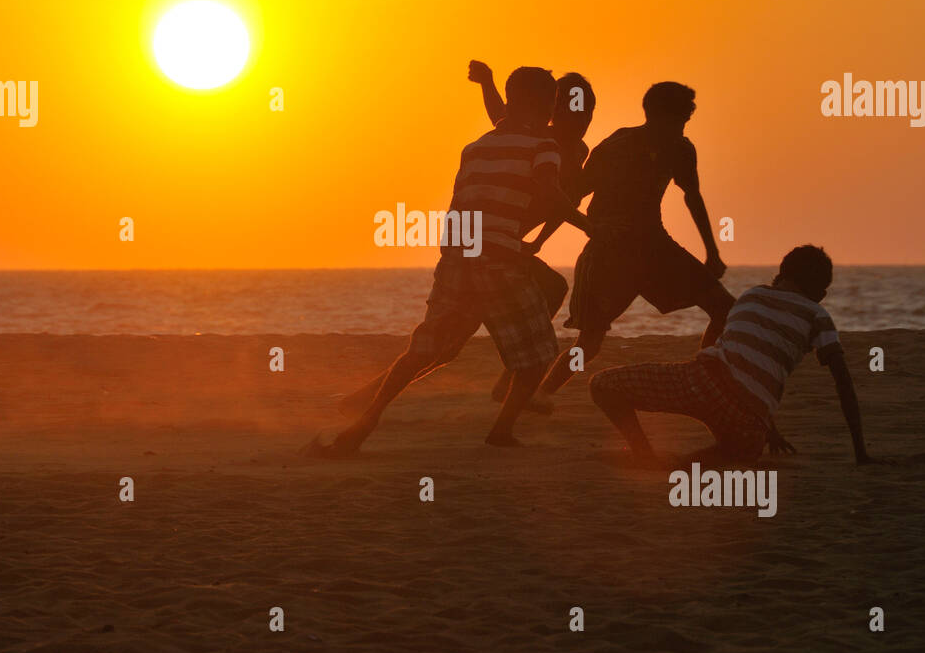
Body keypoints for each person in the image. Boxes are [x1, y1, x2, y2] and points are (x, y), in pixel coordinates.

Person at [306, 67, 594, 457]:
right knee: (538, 355)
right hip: (498, 256)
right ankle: (502, 429)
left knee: (430, 345)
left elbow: (502, 117)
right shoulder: (547, 145)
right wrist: (592, 228)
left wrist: (489, 83)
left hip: (458, 253)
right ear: (553, 108)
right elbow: (552, 193)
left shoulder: (478, 145)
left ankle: (364, 419)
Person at [588, 244, 885, 467]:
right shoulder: (817, 315)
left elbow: (741, 353)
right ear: (820, 291)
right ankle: (679, 465)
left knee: (603, 385)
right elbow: (842, 382)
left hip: (702, 380)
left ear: (780, 275)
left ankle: (643, 454)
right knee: (738, 451)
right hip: (749, 421)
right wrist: (861, 452)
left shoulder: (751, 296)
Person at [533, 81, 733, 405]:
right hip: (609, 251)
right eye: (677, 122)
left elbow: (692, 196)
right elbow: (573, 195)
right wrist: (543, 238)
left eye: (685, 123)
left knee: (725, 308)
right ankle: (542, 393)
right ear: (653, 116)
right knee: (589, 344)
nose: (681, 130)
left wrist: (712, 251)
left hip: (656, 246)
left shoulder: (681, 149)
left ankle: (703, 373)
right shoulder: (617, 146)